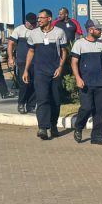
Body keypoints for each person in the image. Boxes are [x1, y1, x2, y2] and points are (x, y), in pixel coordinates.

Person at [24, 8, 69, 140]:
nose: (39, 20)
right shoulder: (34, 34)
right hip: (40, 72)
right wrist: (26, 70)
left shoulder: (59, 32)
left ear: (49, 18)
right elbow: (31, 52)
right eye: (38, 18)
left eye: (41, 18)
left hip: (55, 71)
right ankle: (43, 128)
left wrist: (60, 67)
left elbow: (64, 51)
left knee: (55, 100)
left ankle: (53, 125)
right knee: (42, 99)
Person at [72, 19, 102, 145]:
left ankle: (97, 137)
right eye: (98, 29)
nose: (100, 31)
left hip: (100, 83)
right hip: (85, 83)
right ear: (90, 30)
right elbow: (74, 63)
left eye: (100, 29)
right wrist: (78, 78)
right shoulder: (79, 44)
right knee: (86, 108)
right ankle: (79, 127)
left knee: (100, 110)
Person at [8, 11, 38, 114]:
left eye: (35, 23)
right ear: (26, 22)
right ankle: (21, 103)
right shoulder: (19, 30)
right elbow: (11, 44)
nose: (33, 25)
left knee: (34, 84)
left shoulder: (38, 30)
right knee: (24, 84)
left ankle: (31, 105)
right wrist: (10, 58)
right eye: (31, 23)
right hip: (22, 61)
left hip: (35, 62)